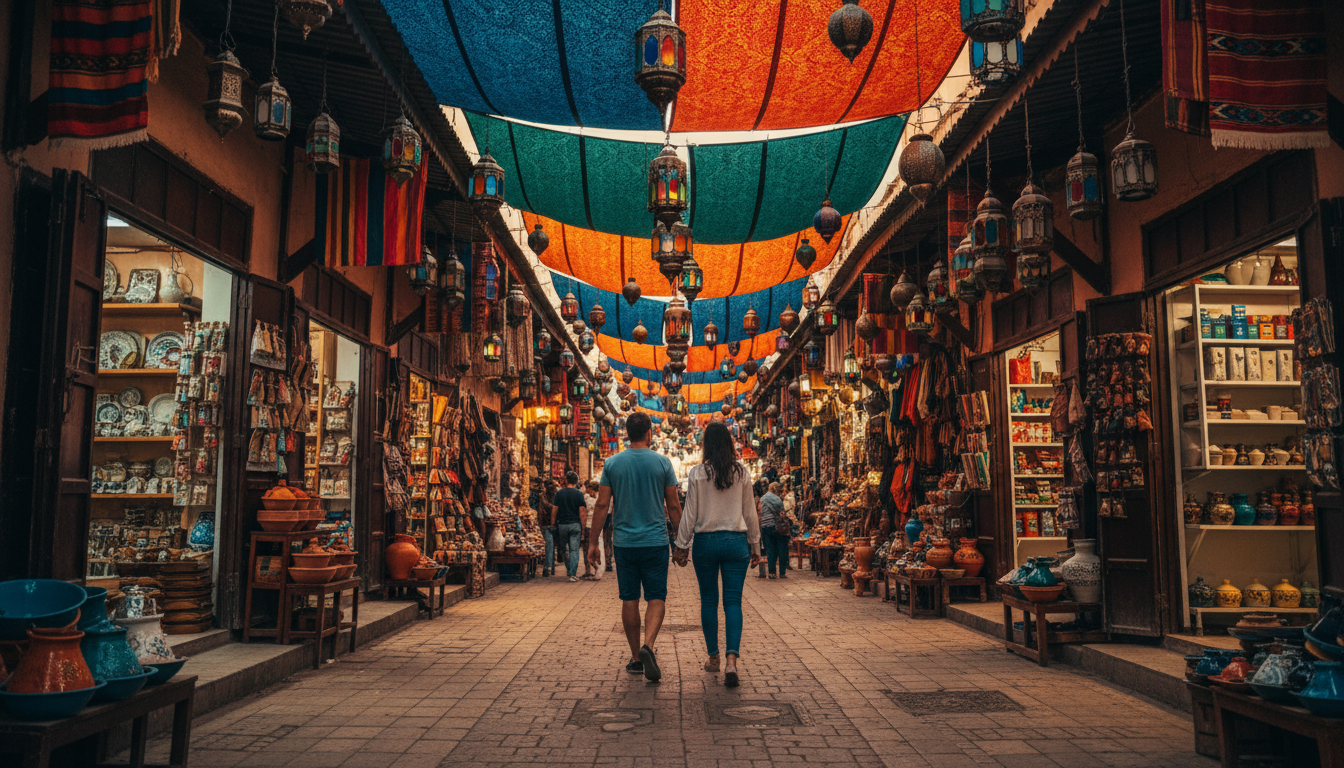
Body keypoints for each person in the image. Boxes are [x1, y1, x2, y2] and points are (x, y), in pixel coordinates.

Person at [588, 412, 682, 682]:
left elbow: (603, 505)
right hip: (655, 542)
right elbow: (674, 506)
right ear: (649, 432)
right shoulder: (663, 463)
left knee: (629, 598)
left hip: (625, 543)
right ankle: (649, 645)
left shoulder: (613, 463)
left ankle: (637, 658)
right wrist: (682, 542)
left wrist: (593, 542)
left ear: (627, 433)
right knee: (656, 597)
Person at [673, 423, 761, 688]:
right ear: (729, 443)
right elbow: (750, 513)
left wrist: (681, 544)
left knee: (709, 601)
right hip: (736, 543)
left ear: (706, 445)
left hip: (706, 543)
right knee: (733, 602)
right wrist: (755, 546)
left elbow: (690, 512)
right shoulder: (741, 472)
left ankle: (713, 656)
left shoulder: (698, 473)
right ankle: (731, 661)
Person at [554, 471, 586, 582]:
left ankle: (569, 570)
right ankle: (573, 574)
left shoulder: (559, 493)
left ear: (566, 480)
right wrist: (583, 527)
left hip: (562, 524)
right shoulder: (579, 494)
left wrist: (553, 523)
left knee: (565, 548)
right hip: (575, 524)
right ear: (576, 482)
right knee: (574, 550)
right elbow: (582, 511)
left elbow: (555, 509)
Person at [758, 482, 788, 579]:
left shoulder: (763, 498)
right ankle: (782, 573)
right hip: (777, 527)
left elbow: (760, 511)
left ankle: (772, 572)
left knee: (770, 549)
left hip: (766, 526)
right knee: (781, 548)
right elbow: (782, 513)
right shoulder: (778, 499)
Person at [539, 479, 558, 577]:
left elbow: (544, 508)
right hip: (554, 523)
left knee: (549, 546)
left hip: (548, 523)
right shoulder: (557, 495)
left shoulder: (543, 497)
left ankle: (548, 567)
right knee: (552, 545)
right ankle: (550, 567)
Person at [582, 480, 600, 580]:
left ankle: (590, 569)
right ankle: (595, 569)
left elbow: (584, 514)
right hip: (595, 527)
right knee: (594, 547)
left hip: (588, 526)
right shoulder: (598, 499)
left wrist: (583, 530)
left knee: (586, 549)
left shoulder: (587, 500)